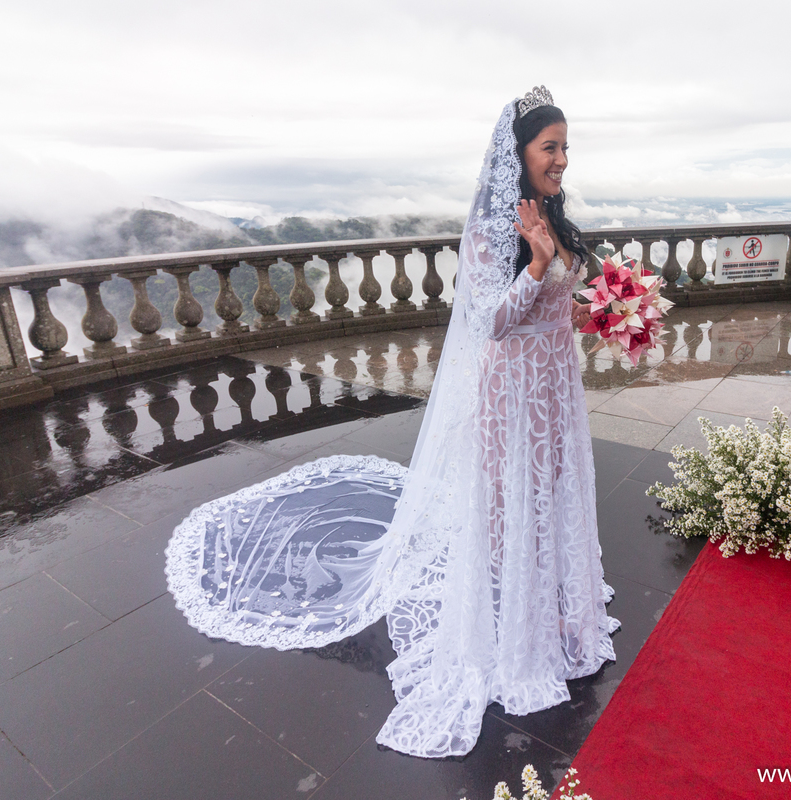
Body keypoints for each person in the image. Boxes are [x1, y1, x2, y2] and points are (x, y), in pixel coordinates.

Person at [165, 86, 618, 759]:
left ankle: (552, 600)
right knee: (507, 503)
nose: (562, 161)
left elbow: (553, 303)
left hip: (554, 387)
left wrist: (596, 305)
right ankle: (507, 619)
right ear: (518, 154)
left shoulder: (553, 216)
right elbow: (491, 321)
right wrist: (540, 265)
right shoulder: (494, 230)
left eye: (565, 149)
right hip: (512, 393)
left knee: (550, 493)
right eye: (551, 148)